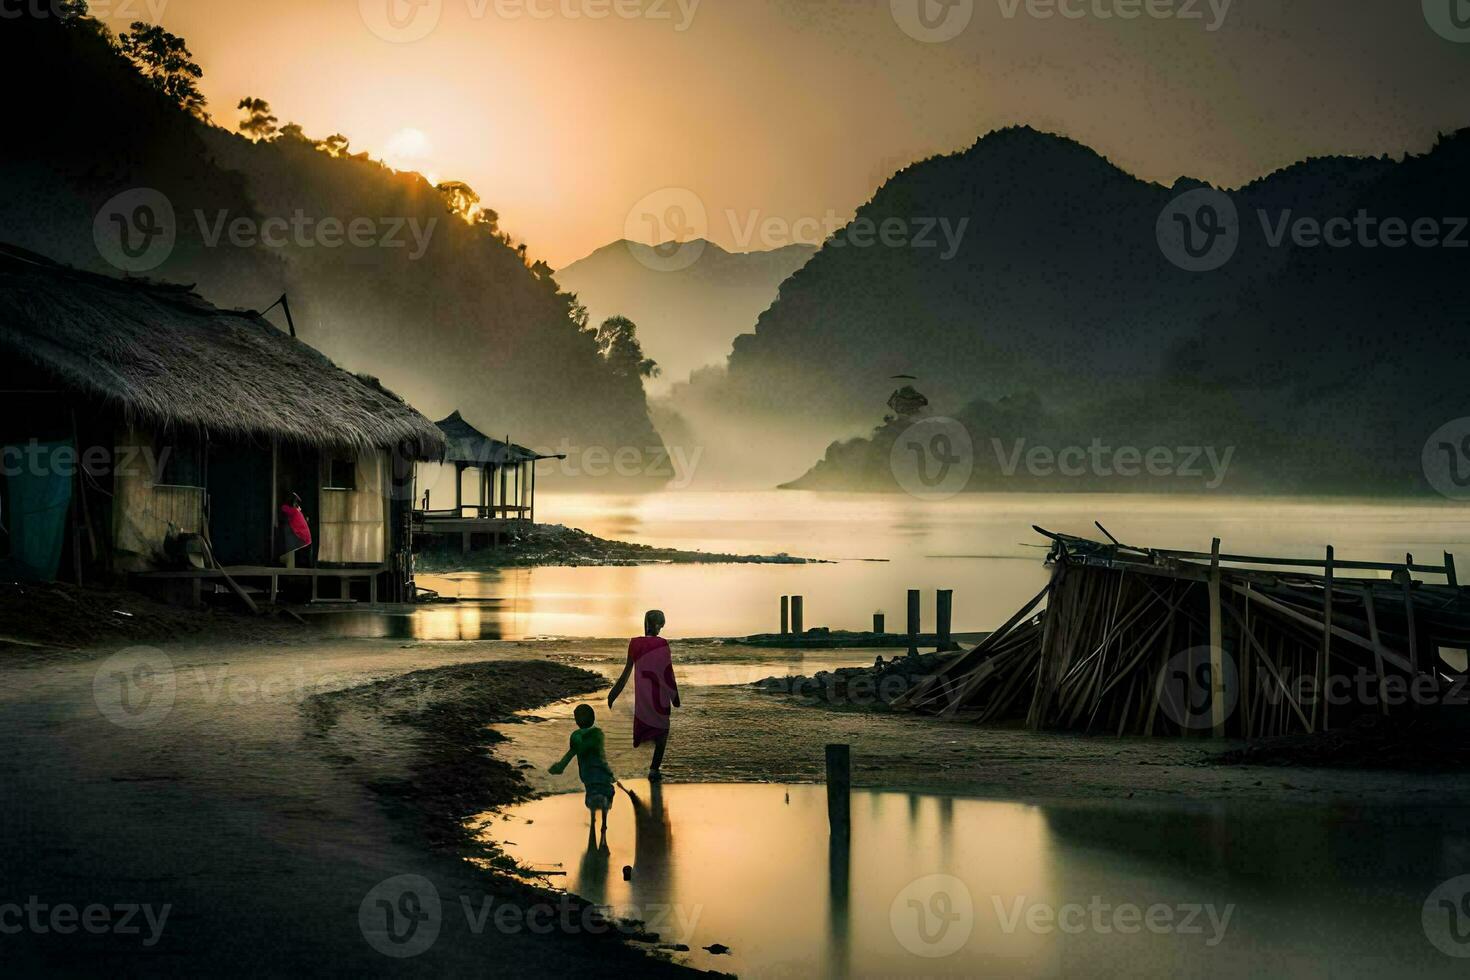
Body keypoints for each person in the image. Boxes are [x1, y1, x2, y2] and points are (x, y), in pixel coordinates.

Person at [608, 609, 680, 780]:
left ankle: (627, 766)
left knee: (647, 729)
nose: (660, 629)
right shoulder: (662, 644)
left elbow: (626, 672)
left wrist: (613, 693)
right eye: (661, 626)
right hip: (660, 698)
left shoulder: (634, 643)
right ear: (657, 625)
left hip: (643, 699)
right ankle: (654, 769)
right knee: (662, 733)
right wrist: (675, 697)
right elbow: (668, 673)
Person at [549, 703, 616, 832]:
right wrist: (609, 772)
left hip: (586, 772)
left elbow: (571, 753)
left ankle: (592, 818)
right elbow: (602, 756)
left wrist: (560, 766)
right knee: (606, 792)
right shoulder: (597, 733)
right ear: (593, 718)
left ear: (576, 721)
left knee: (591, 791)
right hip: (600, 771)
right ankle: (604, 822)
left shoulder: (575, 736)